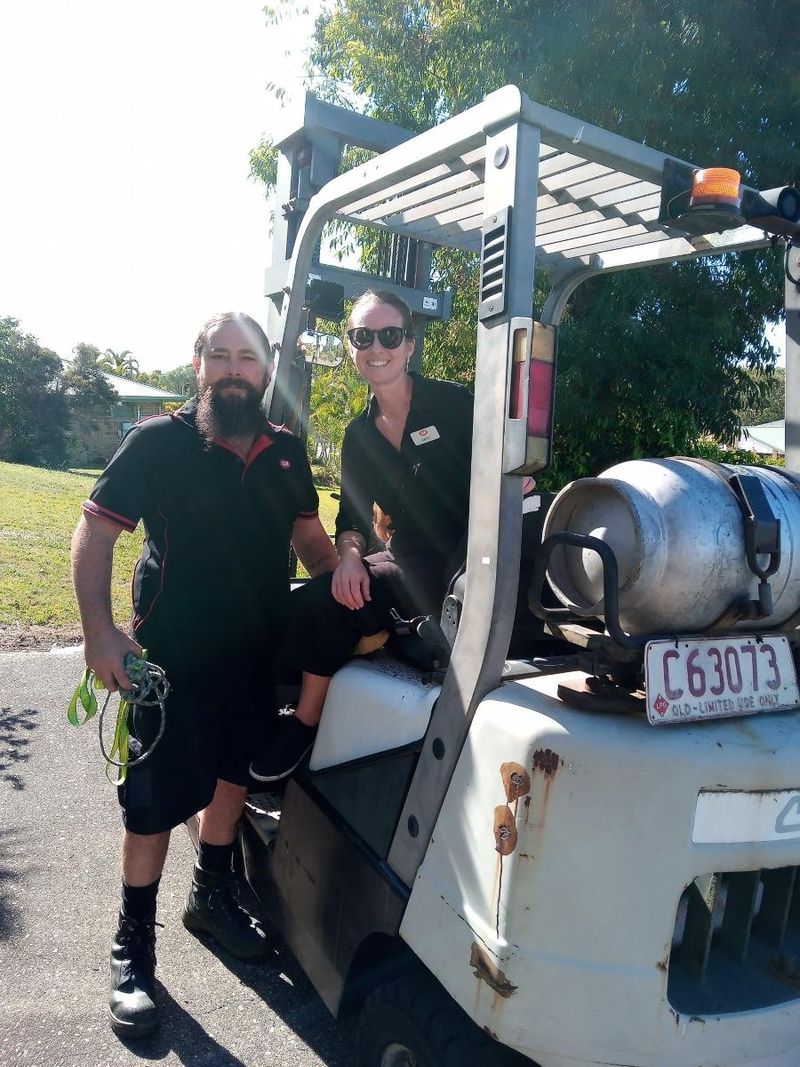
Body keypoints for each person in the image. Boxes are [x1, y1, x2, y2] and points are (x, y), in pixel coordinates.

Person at [70, 311, 338, 1039]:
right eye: (218, 355)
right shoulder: (159, 441)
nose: (231, 369)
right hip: (170, 659)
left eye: (245, 357)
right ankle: (134, 944)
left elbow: (311, 541)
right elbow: (94, 531)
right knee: (153, 803)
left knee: (233, 773)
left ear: (265, 369)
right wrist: (101, 633)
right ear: (198, 366)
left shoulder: (285, 452)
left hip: (251, 653)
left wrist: (352, 589)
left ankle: (210, 893)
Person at [249, 290, 474, 782]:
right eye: (362, 336)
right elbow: (351, 515)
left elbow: (511, 466)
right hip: (410, 560)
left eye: (389, 335)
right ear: (352, 346)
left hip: (476, 558)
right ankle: (301, 724)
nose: (377, 346)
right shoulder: (360, 435)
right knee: (314, 601)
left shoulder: (457, 405)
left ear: (409, 345)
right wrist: (350, 558)